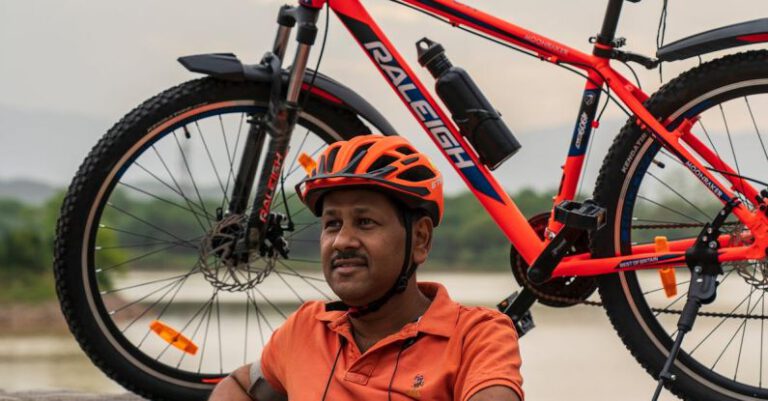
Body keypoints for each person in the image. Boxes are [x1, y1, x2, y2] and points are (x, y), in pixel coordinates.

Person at [209, 134, 523, 401]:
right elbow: (239, 387)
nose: (342, 241)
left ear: (420, 239)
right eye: (332, 224)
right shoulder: (306, 328)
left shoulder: (475, 336)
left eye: (365, 222)